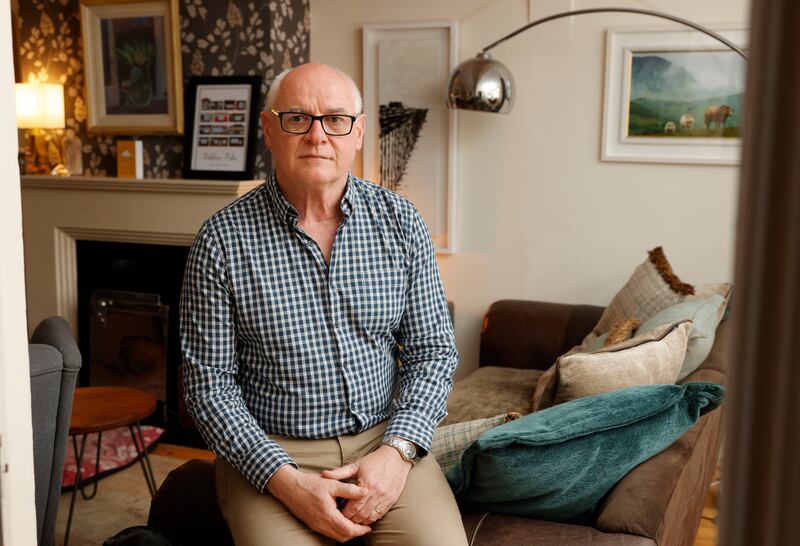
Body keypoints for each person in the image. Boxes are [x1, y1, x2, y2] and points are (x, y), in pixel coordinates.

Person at [180, 62, 467, 546]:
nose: (317, 135)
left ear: (357, 134)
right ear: (269, 130)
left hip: (383, 440)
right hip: (271, 453)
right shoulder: (220, 240)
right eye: (297, 118)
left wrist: (397, 453)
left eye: (335, 119)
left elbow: (433, 351)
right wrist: (286, 482)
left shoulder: (401, 222)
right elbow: (208, 387)